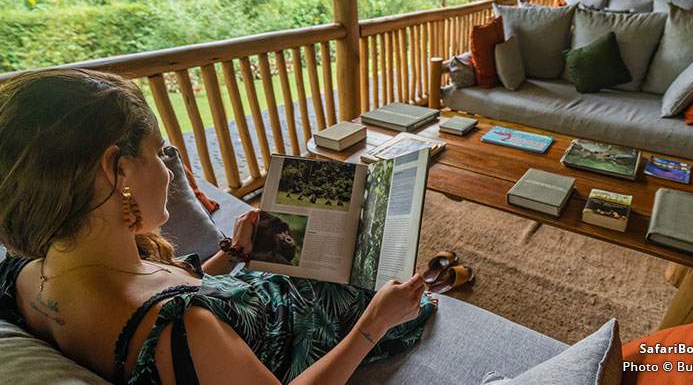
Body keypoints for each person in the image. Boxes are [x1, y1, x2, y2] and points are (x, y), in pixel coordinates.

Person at [0, 69, 437, 384]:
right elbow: (178, 319)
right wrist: (374, 322)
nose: (169, 170)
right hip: (301, 327)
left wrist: (231, 255)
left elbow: (168, 295)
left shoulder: (25, 274)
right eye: (158, 153)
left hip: (258, 293)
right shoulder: (184, 331)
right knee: (385, 285)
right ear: (118, 171)